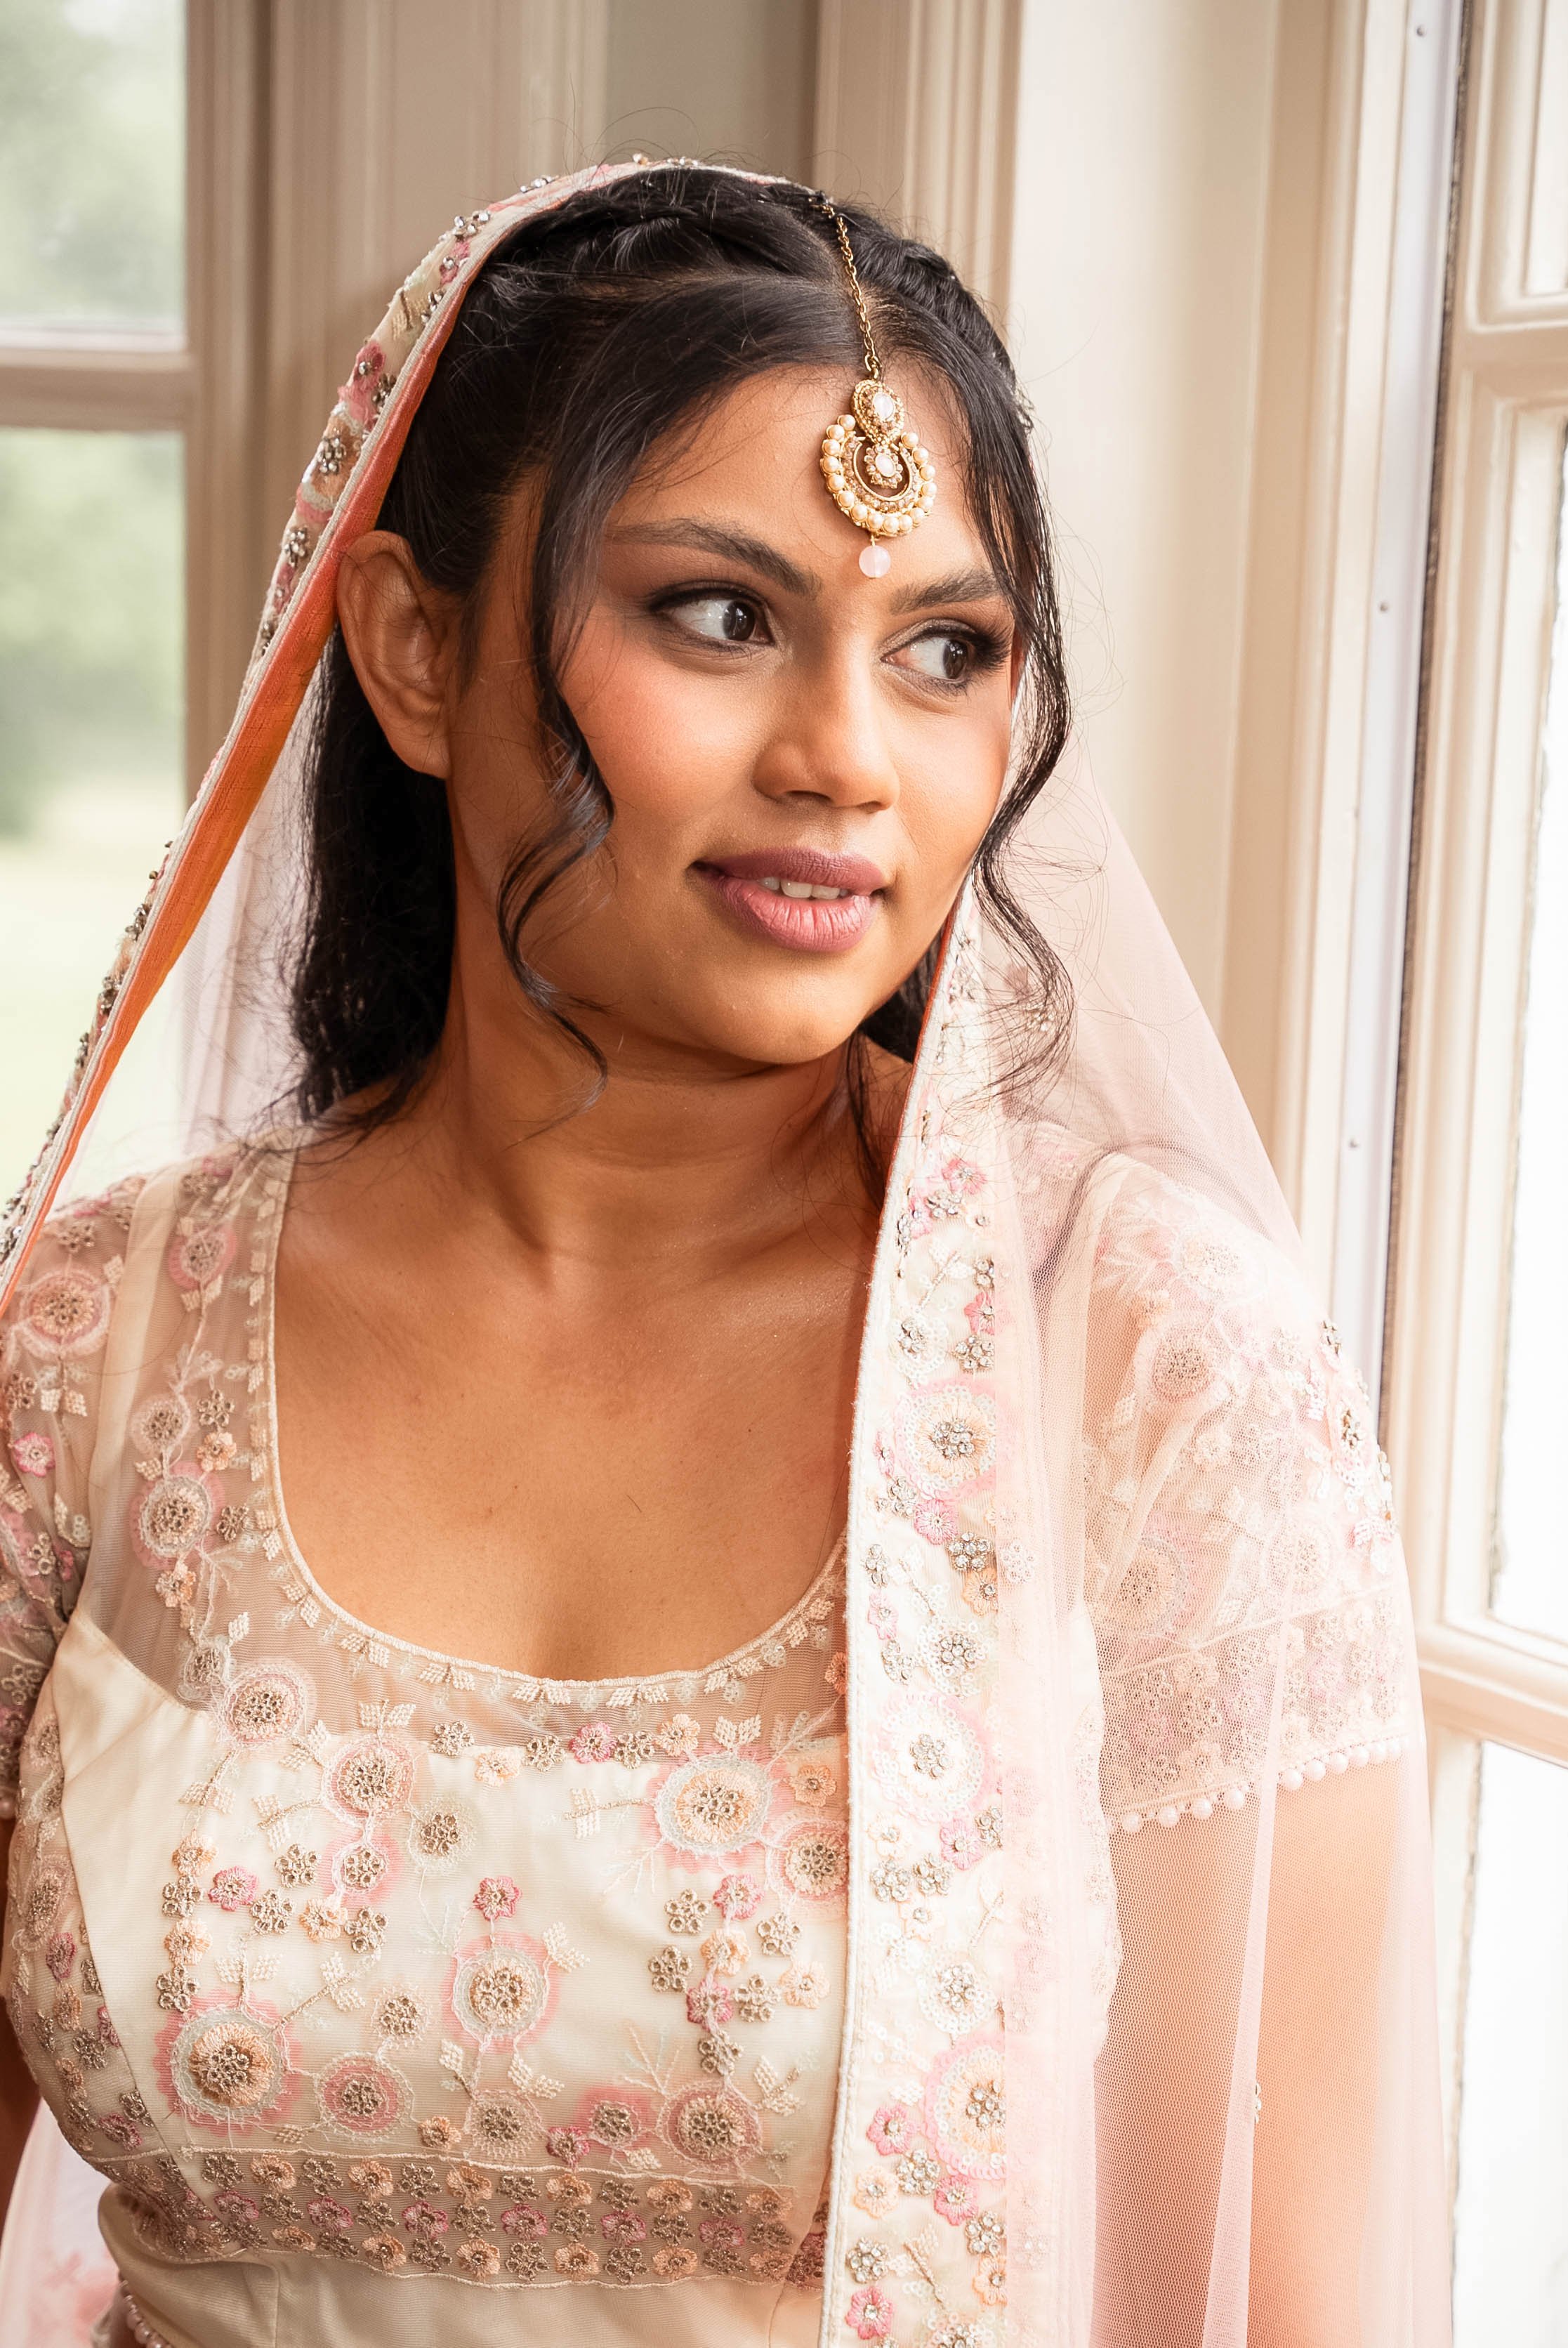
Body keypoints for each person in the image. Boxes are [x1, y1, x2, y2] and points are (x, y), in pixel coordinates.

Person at [0, 159, 1449, 2348]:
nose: (845, 761)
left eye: (942, 650)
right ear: (410, 646)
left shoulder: (1138, 1375)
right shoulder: (95, 1351)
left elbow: (1276, 2310)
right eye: (716, 614)